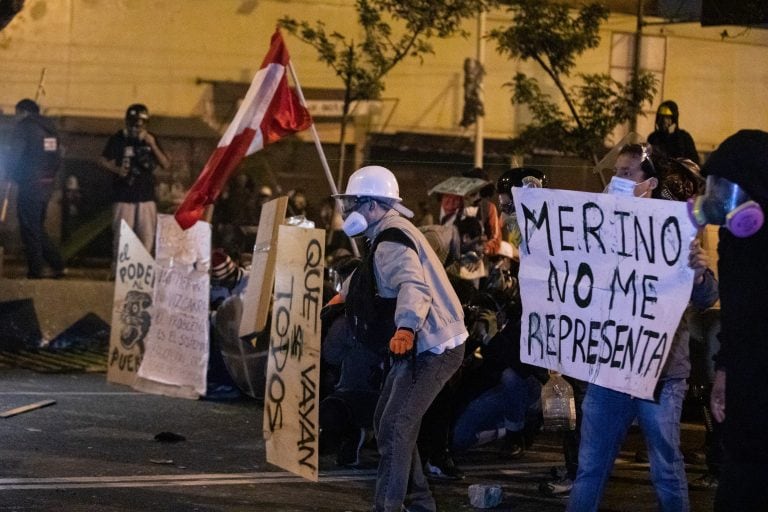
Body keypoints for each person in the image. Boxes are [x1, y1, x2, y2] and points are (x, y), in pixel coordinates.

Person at [566, 143, 719, 512]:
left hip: (661, 375)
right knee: (590, 469)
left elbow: (706, 296)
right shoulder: (600, 226)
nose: (617, 179)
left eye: (626, 173)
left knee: (666, 468)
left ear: (649, 182)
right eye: (615, 171)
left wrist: (698, 275)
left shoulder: (678, 229)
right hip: (610, 370)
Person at [333, 165, 467, 512]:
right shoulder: (387, 233)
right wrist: (340, 298)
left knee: (395, 426)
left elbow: (413, 285)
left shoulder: (390, 239)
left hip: (432, 345)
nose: (349, 212)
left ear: (375, 206)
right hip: (423, 344)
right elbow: (371, 277)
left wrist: (406, 327)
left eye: (355, 204)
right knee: (389, 422)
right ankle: (419, 502)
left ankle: (390, 506)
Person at [688, 130, 768, 511]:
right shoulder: (736, 244)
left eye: (724, 184)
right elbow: (736, 323)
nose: (714, 194)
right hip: (747, 405)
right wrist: (723, 375)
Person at [4, 99, 66, 279]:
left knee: (29, 228)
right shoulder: (51, 130)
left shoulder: (25, 127)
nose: (15, 118)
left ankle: (35, 269)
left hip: (30, 183)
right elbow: (56, 156)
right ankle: (56, 263)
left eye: (17, 114)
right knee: (37, 226)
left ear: (23, 112)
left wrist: (9, 174)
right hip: (47, 184)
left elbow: (16, 153)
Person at [99, 103, 170, 260]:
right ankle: (120, 271)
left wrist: (152, 145)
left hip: (145, 196)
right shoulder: (118, 138)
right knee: (122, 236)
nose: (136, 129)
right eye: (133, 125)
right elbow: (102, 160)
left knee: (147, 236)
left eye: (140, 125)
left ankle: (144, 270)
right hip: (123, 195)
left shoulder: (150, 139)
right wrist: (117, 169)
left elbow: (165, 164)